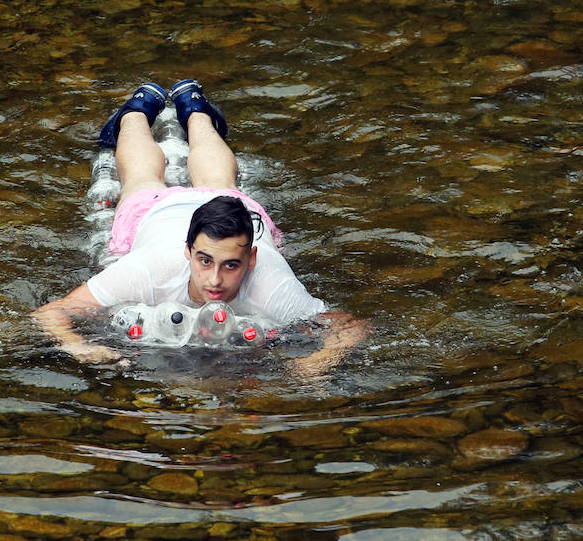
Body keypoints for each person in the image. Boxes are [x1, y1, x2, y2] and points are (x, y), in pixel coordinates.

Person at [33, 79, 366, 377]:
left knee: (221, 182)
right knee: (141, 177)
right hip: (156, 209)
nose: (215, 280)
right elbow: (53, 312)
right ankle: (137, 111)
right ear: (187, 251)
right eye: (204, 261)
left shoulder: (272, 285)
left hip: (233, 206)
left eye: (231, 265)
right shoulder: (150, 269)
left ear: (251, 259)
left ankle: (193, 108)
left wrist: (319, 360)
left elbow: (348, 326)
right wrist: (77, 346)